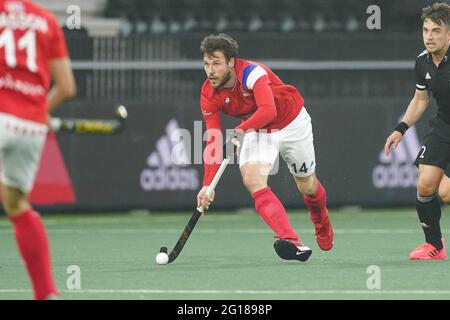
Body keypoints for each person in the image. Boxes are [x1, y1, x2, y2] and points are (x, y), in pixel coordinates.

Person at [196, 33, 334, 262]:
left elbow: (268, 110)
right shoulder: (208, 93)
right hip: (258, 130)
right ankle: (291, 241)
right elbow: (213, 140)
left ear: (231, 62)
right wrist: (207, 185)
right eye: (206, 64)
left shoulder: (252, 73)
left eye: (216, 63)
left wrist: (241, 130)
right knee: (252, 179)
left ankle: (320, 219)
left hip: (292, 122)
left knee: (307, 186)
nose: (210, 70)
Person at [0, 0, 76, 298]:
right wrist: (39, 112)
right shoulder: (46, 20)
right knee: (18, 206)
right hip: (29, 127)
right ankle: (46, 293)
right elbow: (67, 87)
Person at [384, 2, 450, 260]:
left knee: (445, 193)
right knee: (425, 186)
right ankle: (435, 246)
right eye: (426, 30)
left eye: (436, 31)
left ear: (449, 34)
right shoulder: (423, 61)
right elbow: (421, 100)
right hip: (444, 124)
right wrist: (401, 128)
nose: (429, 36)